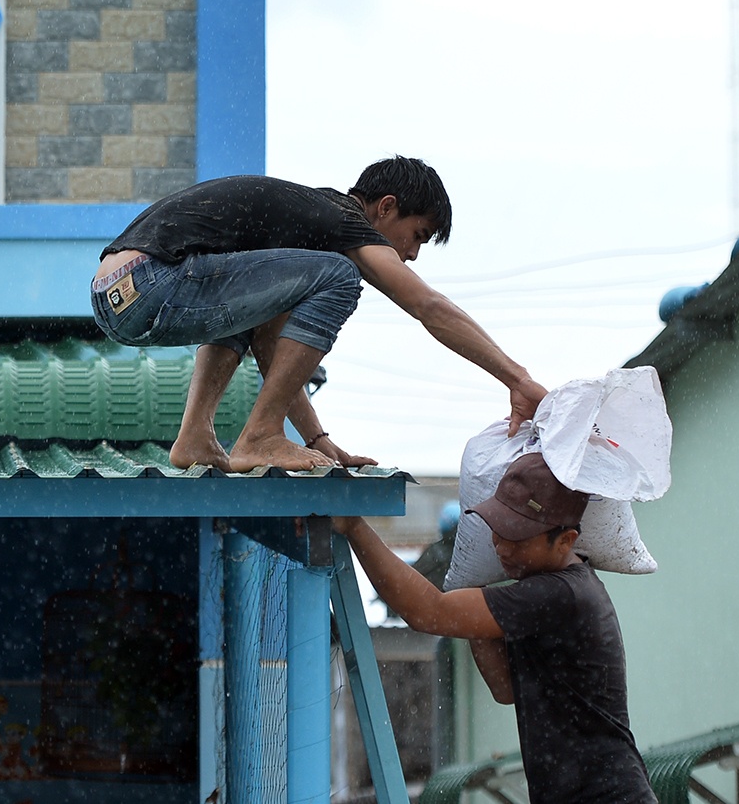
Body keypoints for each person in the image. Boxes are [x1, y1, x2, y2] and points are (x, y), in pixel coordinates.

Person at [90, 157, 546, 472]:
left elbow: (270, 345)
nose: (411, 254)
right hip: (155, 277)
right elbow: (427, 306)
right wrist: (517, 379)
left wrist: (317, 441)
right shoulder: (341, 219)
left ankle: (195, 437)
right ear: (385, 207)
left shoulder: (297, 236)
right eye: (416, 235)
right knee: (342, 275)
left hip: (117, 292)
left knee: (254, 309)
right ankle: (260, 435)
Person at [336, 454, 657, 804]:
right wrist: (479, 597)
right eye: (498, 529)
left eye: (518, 537)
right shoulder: (550, 591)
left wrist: (354, 527)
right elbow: (504, 687)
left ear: (565, 541)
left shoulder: (559, 594)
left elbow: (428, 612)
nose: (501, 546)